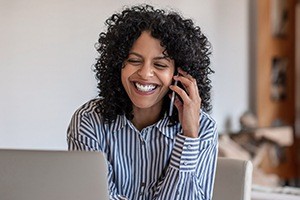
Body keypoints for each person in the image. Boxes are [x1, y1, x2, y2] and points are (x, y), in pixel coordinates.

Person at [67, 4, 218, 200]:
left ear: (179, 74)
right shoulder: (89, 121)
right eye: (134, 61)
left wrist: (189, 137)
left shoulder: (203, 129)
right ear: (118, 64)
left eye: (160, 64)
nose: (146, 73)